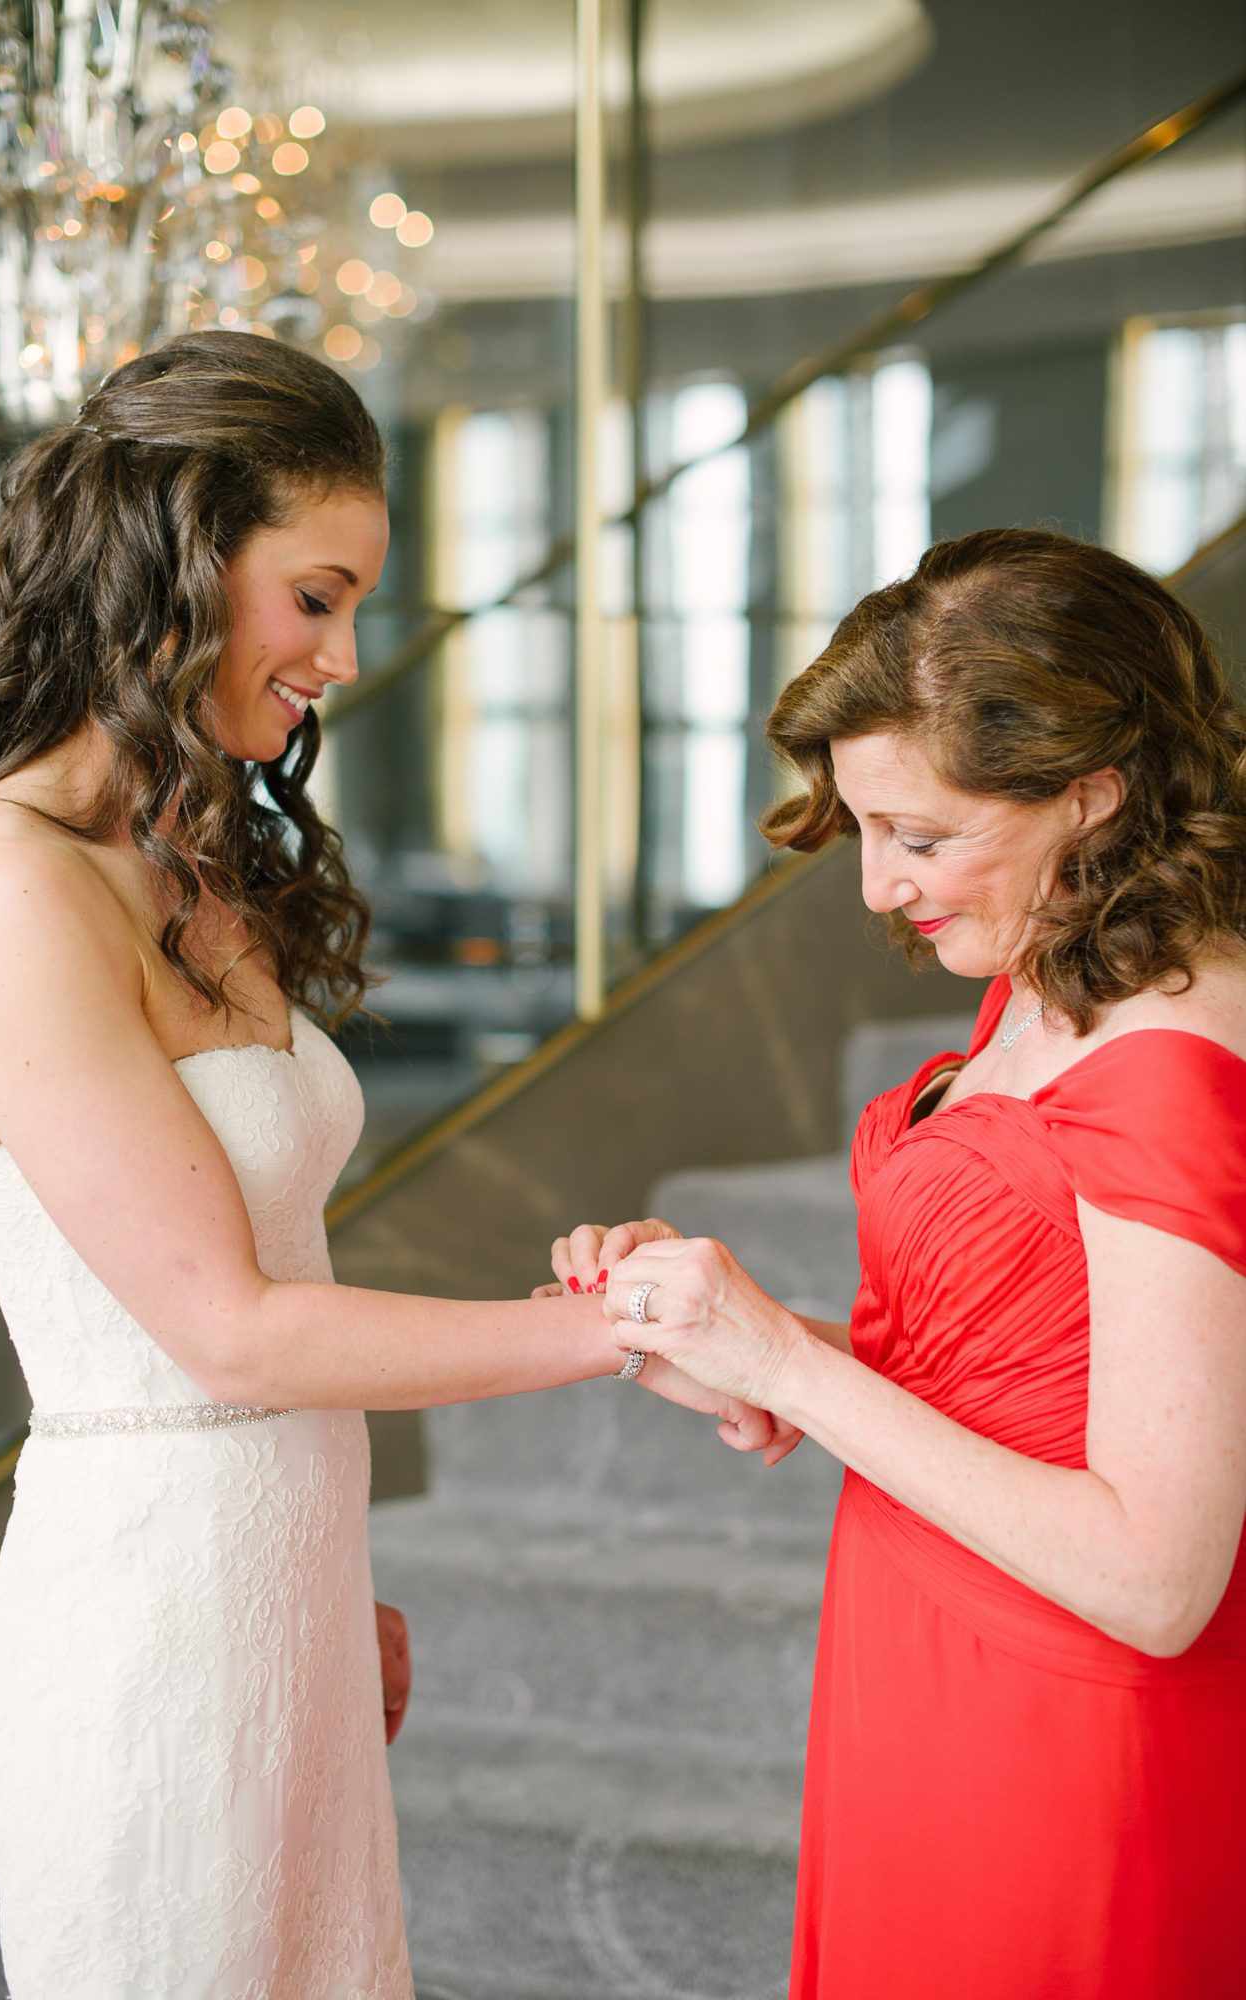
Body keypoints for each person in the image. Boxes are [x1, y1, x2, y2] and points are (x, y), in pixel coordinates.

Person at [0, 329, 800, 1999]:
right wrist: (635, 1325)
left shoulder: (186, 857)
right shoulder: (3, 885)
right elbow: (230, 1332)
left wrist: (330, 1587)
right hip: (143, 1633)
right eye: (313, 595)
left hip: (273, 1599)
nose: (340, 652)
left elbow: (277, 1295)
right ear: (174, 560)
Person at [547, 528, 1246, 1999]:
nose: (876, 889)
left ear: (1094, 793)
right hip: (923, 1652)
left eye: (921, 839)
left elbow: (1158, 1575)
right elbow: (1017, 1380)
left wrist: (788, 1361)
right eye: (865, 830)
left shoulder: (1169, 1066)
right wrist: (737, 1340)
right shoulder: (1050, 979)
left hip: (1069, 1730)